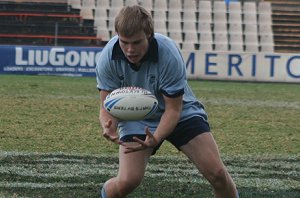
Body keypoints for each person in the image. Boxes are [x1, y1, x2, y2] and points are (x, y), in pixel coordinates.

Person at [95, 5, 239, 198]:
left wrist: (156, 137)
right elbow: (107, 105)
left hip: (181, 113)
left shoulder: (168, 53)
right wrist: (108, 124)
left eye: (137, 42)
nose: (130, 50)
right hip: (137, 116)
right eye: (124, 42)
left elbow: (173, 110)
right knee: (127, 182)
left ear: (149, 35)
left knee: (218, 174)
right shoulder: (108, 56)